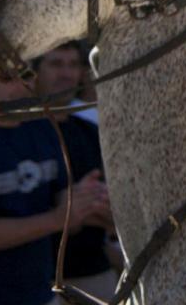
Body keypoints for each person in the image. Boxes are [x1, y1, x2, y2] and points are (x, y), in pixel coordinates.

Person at [0, 74, 108, 305]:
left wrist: (87, 201)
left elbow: (67, 213)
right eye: (8, 79)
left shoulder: (42, 128)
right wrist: (58, 218)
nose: (20, 87)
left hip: (40, 295)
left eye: (25, 77)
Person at [32, 44, 117, 302]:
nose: (66, 74)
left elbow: (113, 206)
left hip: (94, 273)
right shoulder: (19, 131)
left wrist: (101, 209)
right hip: (34, 281)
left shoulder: (92, 133)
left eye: (73, 65)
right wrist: (68, 210)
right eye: (56, 64)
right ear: (33, 73)